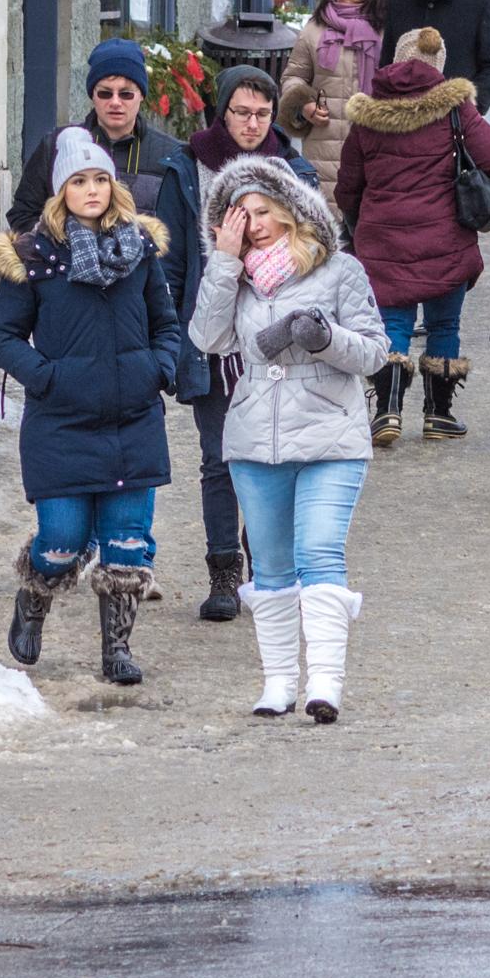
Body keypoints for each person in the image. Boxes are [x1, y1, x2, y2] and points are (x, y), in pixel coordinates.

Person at [190, 156, 389, 720]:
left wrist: (324, 338)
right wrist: (224, 264)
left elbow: (374, 352)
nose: (253, 224)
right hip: (257, 442)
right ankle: (278, 683)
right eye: (240, 216)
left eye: (262, 211)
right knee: (272, 567)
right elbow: (207, 337)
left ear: (291, 210)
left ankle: (324, 682)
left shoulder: (339, 270)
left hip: (331, 437)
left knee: (320, 551)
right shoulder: (236, 277)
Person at [0, 129, 187, 686]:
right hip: (61, 423)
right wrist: (47, 378)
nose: (93, 189)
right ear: (60, 191)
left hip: (133, 418)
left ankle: (117, 649)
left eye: (101, 178)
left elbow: (166, 325)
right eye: (80, 180)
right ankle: (33, 598)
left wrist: (160, 368)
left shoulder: (140, 252)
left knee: (127, 542)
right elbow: (2, 336)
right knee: (62, 538)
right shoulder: (35, 259)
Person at [180, 67, 319, 622]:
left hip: (274, 336)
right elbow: (173, 261)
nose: (252, 123)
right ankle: (223, 572)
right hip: (213, 333)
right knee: (218, 459)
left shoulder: (292, 169)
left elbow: (320, 251)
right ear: (223, 111)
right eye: (242, 112)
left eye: (262, 113)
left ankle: (265, 567)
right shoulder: (187, 164)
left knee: (271, 454)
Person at [335, 27, 490, 443]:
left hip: (383, 239)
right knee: (444, 325)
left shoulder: (367, 114)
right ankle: (439, 415)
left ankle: (387, 410)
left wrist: (362, 217)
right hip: (445, 238)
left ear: (396, 61)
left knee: (392, 322)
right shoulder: (454, 107)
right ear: (438, 64)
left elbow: (347, 186)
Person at [8, 39, 206, 402]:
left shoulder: (171, 156)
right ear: (92, 95)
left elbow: (183, 240)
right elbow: (22, 215)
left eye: (126, 93)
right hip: (69, 306)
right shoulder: (55, 147)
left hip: (139, 307)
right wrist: (57, 259)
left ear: (141, 96)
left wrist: (164, 355)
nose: (116, 102)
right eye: (105, 92)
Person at [280, 0, 391, 173]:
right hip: (322, 144)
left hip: (375, 143)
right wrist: (303, 106)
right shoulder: (315, 29)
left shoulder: (386, 30)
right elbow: (294, 76)